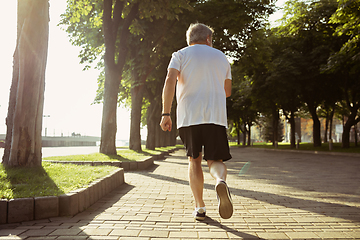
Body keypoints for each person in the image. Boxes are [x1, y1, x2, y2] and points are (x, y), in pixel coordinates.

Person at [160, 23, 233, 220]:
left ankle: (200, 207)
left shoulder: (180, 55)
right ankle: (220, 180)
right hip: (215, 116)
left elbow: (170, 80)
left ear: (189, 39)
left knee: (194, 160)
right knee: (214, 160)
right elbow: (227, 91)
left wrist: (166, 113)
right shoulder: (221, 57)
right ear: (208, 38)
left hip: (189, 116)